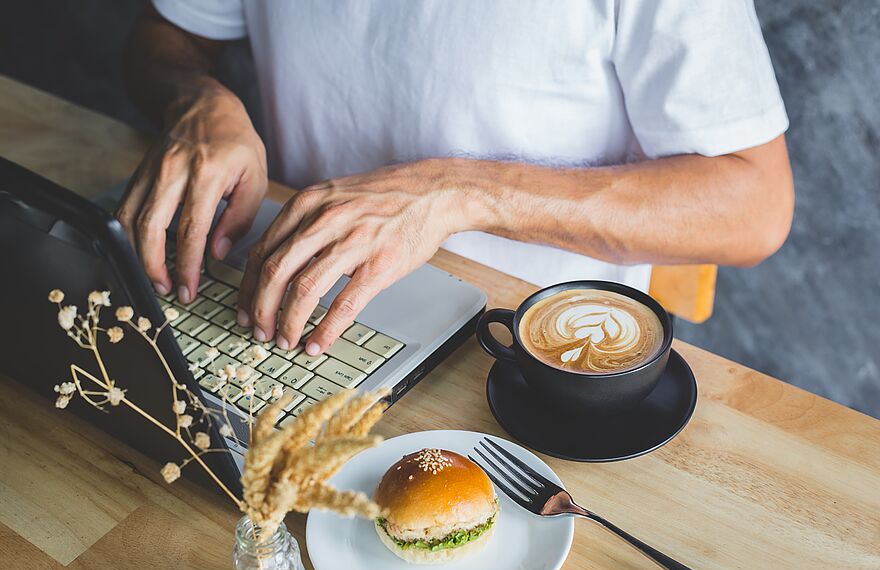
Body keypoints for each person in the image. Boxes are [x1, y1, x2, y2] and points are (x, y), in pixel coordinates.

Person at [119, 0, 793, 357]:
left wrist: (456, 192)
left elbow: (754, 202)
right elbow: (166, 36)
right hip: (281, 304)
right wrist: (196, 98)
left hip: (517, 357)